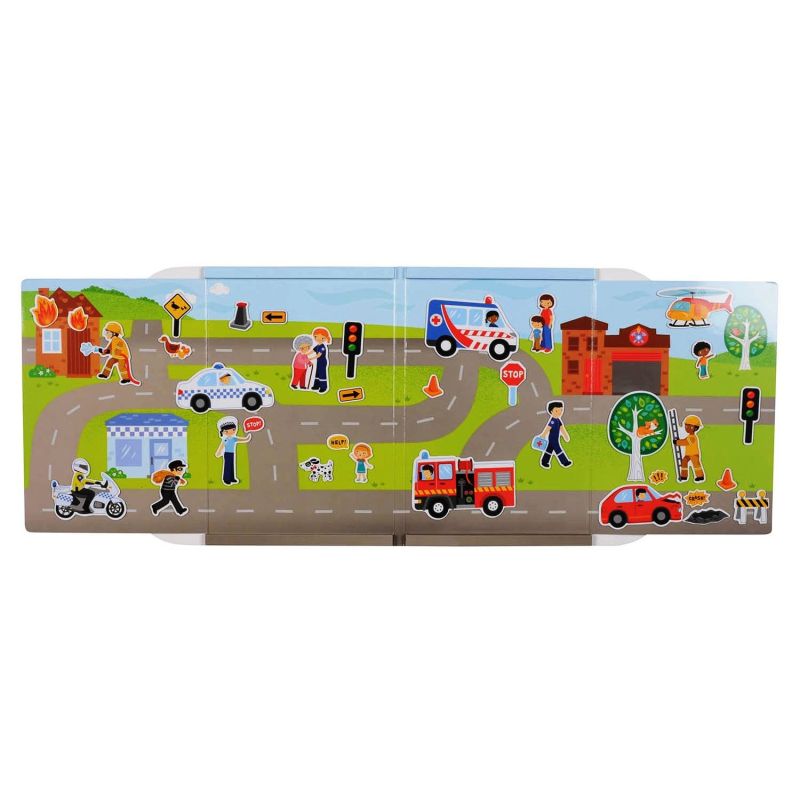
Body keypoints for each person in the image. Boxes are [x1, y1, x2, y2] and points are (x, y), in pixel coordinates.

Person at [215, 416, 251, 485]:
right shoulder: (225, 440)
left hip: (232, 453)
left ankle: (232, 478)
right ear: (223, 432)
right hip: (227, 454)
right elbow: (221, 447)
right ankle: (226, 479)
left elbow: (241, 440)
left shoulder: (234, 439)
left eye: (233, 429)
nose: (231, 432)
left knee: (232, 466)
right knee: (227, 467)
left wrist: (247, 438)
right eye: (227, 431)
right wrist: (218, 453)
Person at [538, 400, 573, 468]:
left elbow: (562, 428)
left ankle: (544, 461)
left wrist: (566, 436)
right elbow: (548, 428)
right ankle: (564, 462)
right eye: (557, 411)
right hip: (552, 439)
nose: (560, 412)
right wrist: (543, 435)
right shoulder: (553, 421)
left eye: (561, 410)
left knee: (549, 449)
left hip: (556, 438)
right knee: (558, 449)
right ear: (551, 411)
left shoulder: (558, 420)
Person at [674, 414, 705, 483]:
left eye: (689, 426)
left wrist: (677, 442)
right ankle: (684, 475)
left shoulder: (692, 437)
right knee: (684, 462)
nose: (687, 428)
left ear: (695, 428)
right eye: (686, 426)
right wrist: (678, 441)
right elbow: (685, 440)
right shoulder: (689, 436)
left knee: (696, 465)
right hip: (688, 454)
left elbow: (685, 442)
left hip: (694, 454)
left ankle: (700, 476)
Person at [310, 327, 332, 393]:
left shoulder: (322, 347)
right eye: (316, 336)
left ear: (324, 338)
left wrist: (311, 358)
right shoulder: (318, 346)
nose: (318, 339)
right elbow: (312, 351)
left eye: (321, 337)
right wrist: (306, 354)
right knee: (317, 374)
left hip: (322, 362)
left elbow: (319, 355)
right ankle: (316, 385)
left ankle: (323, 387)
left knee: (322, 374)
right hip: (318, 362)